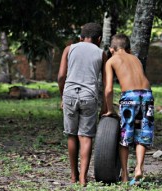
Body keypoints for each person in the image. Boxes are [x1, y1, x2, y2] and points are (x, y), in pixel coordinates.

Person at [57, 22, 106, 186]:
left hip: (70, 93)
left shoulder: (69, 49)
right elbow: (106, 83)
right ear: (99, 39)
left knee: (71, 134)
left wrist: (62, 96)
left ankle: (73, 175)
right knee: (86, 137)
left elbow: (61, 76)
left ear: (80, 37)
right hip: (89, 96)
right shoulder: (101, 53)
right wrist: (105, 106)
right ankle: (83, 178)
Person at [102, 34, 154, 185]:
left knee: (125, 137)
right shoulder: (135, 58)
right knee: (142, 134)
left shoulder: (111, 60)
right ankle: (139, 168)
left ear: (111, 49)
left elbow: (109, 89)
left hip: (130, 97)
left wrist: (110, 109)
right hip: (147, 95)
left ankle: (124, 175)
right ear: (128, 49)